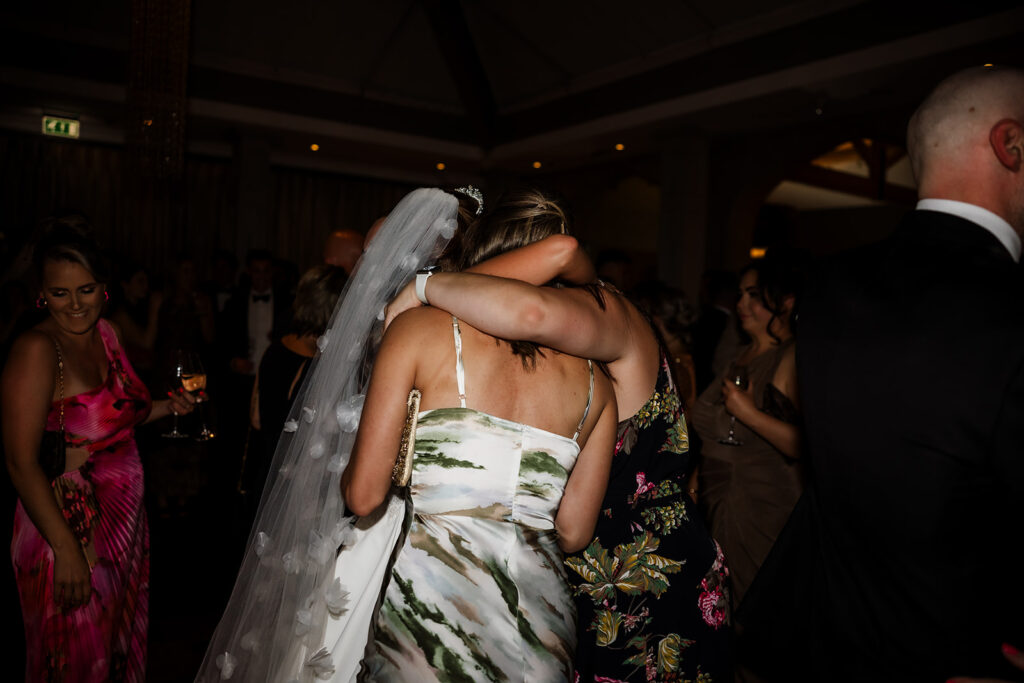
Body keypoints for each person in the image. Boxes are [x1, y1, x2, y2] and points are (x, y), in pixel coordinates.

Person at [739, 65, 1024, 682]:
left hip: (831, 641)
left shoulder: (832, 285)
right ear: (1011, 144)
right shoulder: (1006, 304)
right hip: (962, 653)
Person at [385, 188, 733, 682]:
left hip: (651, 575)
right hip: (597, 576)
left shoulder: (603, 307)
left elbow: (533, 302)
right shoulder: (559, 348)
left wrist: (424, 288)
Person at [343, 189, 618, 680]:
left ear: (482, 257)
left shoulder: (417, 331)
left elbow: (364, 496)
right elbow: (574, 533)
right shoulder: (598, 382)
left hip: (430, 616)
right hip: (542, 623)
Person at [2, 219, 193, 682]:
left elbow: (114, 418)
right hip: (68, 527)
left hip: (122, 526)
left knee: (111, 653)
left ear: (104, 287)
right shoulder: (37, 349)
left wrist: (168, 407)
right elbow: (20, 463)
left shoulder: (109, 334)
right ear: (41, 294)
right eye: (59, 293)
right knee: (74, 660)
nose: (74, 304)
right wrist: (65, 548)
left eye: (85, 290)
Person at [689, 256, 802, 615]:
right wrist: (695, 485)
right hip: (715, 499)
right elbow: (713, 434)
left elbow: (802, 443)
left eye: (754, 295)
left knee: (748, 613)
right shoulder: (739, 355)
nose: (742, 304)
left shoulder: (791, 357)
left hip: (759, 505)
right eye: (740, 294)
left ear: (785, 301)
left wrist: (749, 413)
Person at [240, 265, 348, 516]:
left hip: (267, 474)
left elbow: (256, 419)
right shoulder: (321, 366)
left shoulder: (273, 350)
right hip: (300, 490)